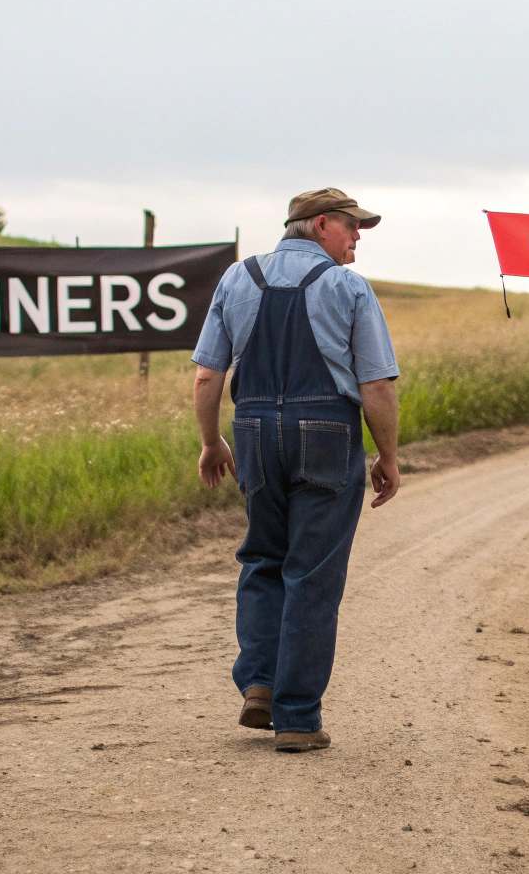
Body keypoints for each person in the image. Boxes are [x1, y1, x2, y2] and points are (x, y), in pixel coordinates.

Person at [191, 188, 402, 753]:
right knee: (312, 574)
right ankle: (297, 718)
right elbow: (376, 384)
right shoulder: (347, 286)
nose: (357, 237)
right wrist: (388, 455)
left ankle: (259, 681)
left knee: (263, 557)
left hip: (255, 431)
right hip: (328, 431)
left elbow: (207, 376)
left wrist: (212, 441)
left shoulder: (238, 278)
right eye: (353, 227)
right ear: (321, 224)